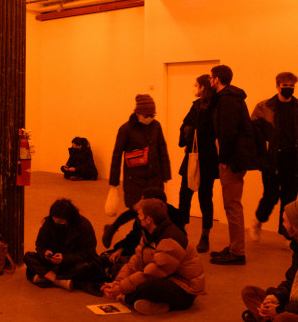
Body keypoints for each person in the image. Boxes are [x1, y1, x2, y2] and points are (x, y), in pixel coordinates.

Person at [102, 198, 205, 314]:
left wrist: (121, 288)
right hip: (165, 276)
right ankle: (138, 299)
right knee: (118, 269)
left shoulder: (171, 240)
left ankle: (131, 298)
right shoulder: (148, 234)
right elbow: (135, 261)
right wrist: (118, 282)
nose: (138, 219)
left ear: (149, 220)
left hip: (183, 289)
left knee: (148, 286)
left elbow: (151, 274)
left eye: (140, 216)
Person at [250, 72, 298, 241]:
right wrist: (260, 157)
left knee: (290, 200)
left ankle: (287, 234)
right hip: (271, 159)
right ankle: (258, 221)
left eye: (291, 86)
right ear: (277, 85)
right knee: (271, 195)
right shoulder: (263, 107)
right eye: (285, 86)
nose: (288, 89)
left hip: (293, 159)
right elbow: (253, 134)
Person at [207, 65, 258, 265]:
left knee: (232, 205)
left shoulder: (227, 100)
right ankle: (235, 247)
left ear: (217, 79)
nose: (210, 81)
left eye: (211, 78)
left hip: (232, 161)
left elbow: (227, 132)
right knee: (231, 205)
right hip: (235, 159)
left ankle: (237, 252)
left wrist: (223, 160)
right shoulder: (231, 98)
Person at [24, 198, 105, 293]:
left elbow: (88, 253)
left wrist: (65, 258)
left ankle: (47, 277)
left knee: (89, 267)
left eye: (61, 222)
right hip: (53, 262)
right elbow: (40, 245)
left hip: (72, 262)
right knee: (28, 257)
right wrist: (45, 253)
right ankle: (59, 280)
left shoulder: (84, 225)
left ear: (69, 218)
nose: (57, 224)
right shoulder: (49, 222)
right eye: (55, 221)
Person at [176, 75, 218, 253]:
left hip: (206, 157)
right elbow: (184, 126)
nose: (195, 88)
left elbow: (205, 130)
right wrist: (188, 131)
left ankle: (205, 235)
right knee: (185, 194)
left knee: (204, 197)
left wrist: (191, 131)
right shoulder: (196, 105)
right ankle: (181, 230)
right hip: (193, 156)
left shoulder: (214, 106)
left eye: (196, 85)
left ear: (202, 87)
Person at [101, 187, 181, 280]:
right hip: (146, 255)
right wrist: (121, 249)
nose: (139, 204)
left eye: (143, 200)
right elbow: (135, 235)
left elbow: (161, 265)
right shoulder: (144, 216)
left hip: (162, 265)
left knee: (118, 271)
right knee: (107, 258)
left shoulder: (171, 227)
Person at [108, 93, 172, 209]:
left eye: (152, 115)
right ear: (137, 113)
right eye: (147, 115)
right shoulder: (126, 130)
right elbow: (116, 156)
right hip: (134, 181)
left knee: (155, 212)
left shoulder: (156, 126)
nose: (150, 118)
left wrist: (166, 173)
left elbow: (162, 150)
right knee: (138, 213)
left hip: (155, 179)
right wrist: (113, 182)